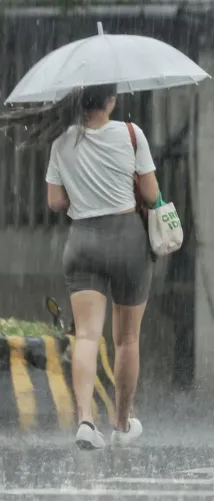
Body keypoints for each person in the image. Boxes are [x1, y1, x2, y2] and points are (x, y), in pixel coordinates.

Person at [1, 84, 158, 449]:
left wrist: (82, 188)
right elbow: (151, 194)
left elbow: (55, 201)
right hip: (127, 241)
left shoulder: (62, 142)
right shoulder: (132, 135)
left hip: (83, 240)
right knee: (127, 339)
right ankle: (121, 422)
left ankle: (86, 421)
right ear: (111, 100)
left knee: (87, 336)